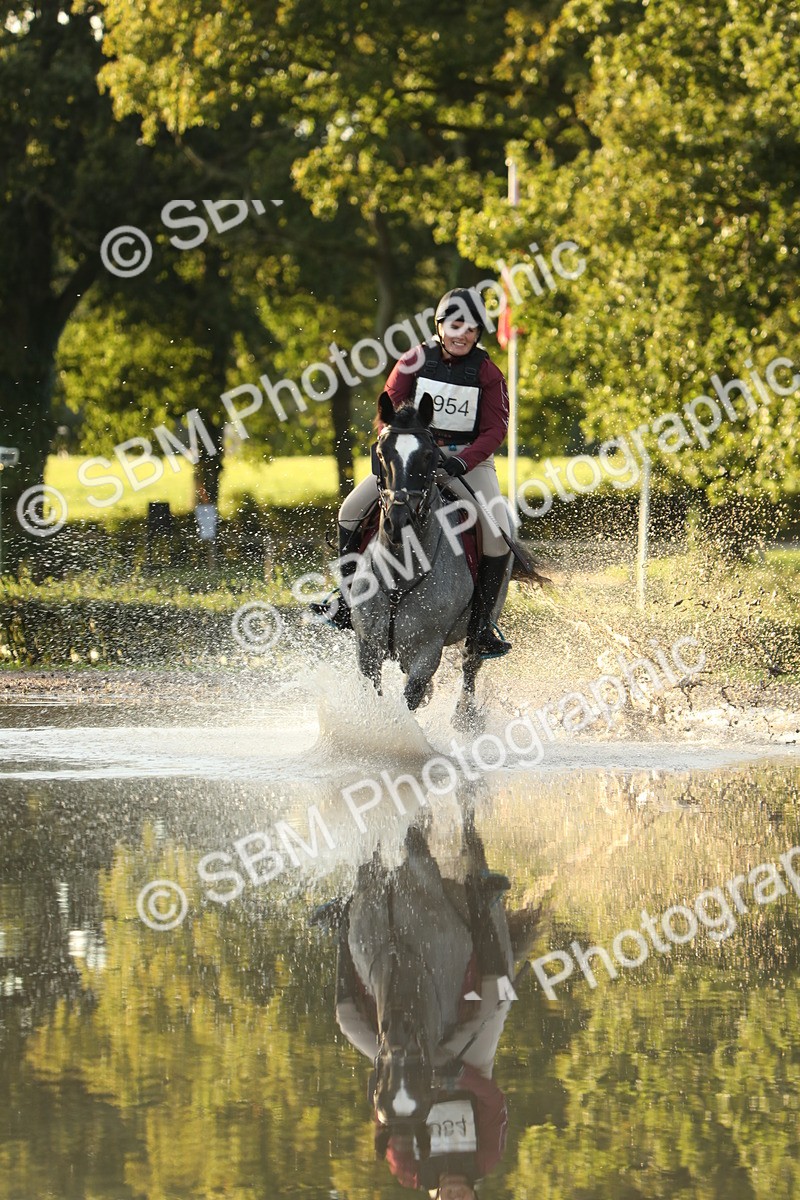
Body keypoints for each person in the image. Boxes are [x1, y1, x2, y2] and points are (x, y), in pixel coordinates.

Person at [320, 287, 514, 658]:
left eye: (470, 328)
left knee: (498, 533)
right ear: (440, 326)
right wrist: (402, 447)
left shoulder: (488, 373)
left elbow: (495, 430)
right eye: (455, 325)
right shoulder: (413, 360)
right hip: (412, 458)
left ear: (478, 333)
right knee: (349, 510)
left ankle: (481, 628)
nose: (462, 334)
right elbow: (387, 413)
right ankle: (346, 601)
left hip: (466, 462)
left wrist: (461, 461)